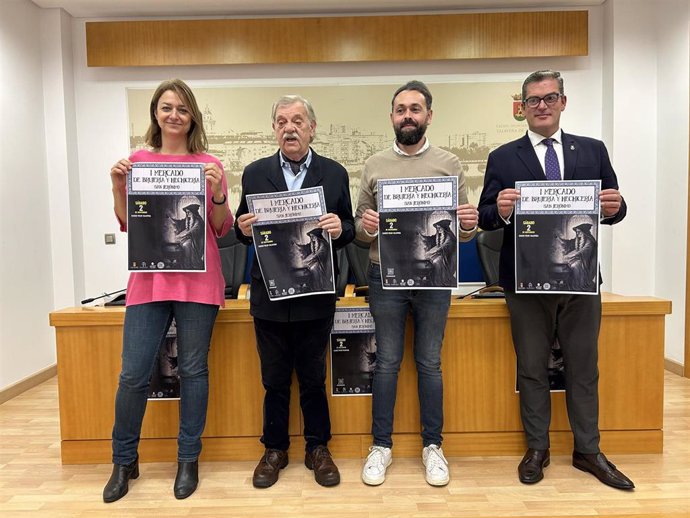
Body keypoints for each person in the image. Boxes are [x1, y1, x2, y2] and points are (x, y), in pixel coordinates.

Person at [477, 70, 634, 490]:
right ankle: (537, 448)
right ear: (522, 108)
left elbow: (614, 209)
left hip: (580, 280)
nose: (541, 106)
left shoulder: (592, 151)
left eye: (549, 98)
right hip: (525, 283)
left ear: (563, 102)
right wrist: (503, 209)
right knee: (532, 368)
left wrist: (615, 206)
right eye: (533, 100)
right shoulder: (503, 158)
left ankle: (588, 450)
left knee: (584, 368)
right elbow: (486, 216)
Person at [104, 78, 233, 502]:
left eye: (181, 108)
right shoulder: (137, 161)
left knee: (193, 370)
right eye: (166, 107)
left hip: (199, 282)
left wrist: (216, 194)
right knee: (133, 373)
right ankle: (124, 460)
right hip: (149, 280)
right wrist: (117, 187)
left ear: (191, 115)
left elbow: (220, 228)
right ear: (156, 114)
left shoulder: (209, 164)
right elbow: (128, 224)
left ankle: (187, 459)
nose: (174, 115)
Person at [355, 80, 478, 487]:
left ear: (428, 115)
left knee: (429, 362)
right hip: (385, 276)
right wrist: (367, 227)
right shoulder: (374, 165)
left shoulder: (450, 164)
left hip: (433, 278)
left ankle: (433, 446)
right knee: (386, 362)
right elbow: (359, 230)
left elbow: (462, 234)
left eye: (415, 109)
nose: (407, 115)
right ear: (392, 117)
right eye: (400, 109)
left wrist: (469, 225)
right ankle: (381, 446)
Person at [235, 95, 354, 488]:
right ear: (274, 129)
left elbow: (350, 227)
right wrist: (243, 229)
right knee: (274, 379)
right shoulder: (254, 173)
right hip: (269, 298)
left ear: (312, 128)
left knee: (314, 378)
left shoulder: (335, 173)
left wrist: (340, 230)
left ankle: (318, 447)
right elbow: (239, 225)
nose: (290, 127)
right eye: (282, 121)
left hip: (315, 296)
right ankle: (274, 448)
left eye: (298, 120)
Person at [557, 222, 597, 291]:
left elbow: (583, 252)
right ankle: (570, 284)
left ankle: (578, 285)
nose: (577, 233)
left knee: (574, 266)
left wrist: (572, 256)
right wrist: (558, 238)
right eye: (577, 232)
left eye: (579, 232)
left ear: (584, 232)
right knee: (566, 264)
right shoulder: (578, 239)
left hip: (586, 263)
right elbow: (568, 243)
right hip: (579, 258)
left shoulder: (589, 241)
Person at [171, 202, 205, 269]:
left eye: (188, 212)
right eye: (186, 212)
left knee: (186, 245)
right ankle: (184, 264)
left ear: (193, 212)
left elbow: (191, 231)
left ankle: (189, 265)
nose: (187, 214)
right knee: (179, 244)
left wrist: (181, 236)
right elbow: (184, 227)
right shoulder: (188, 219)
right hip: (190, 238)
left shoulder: (198, 221)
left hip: (196, 242)